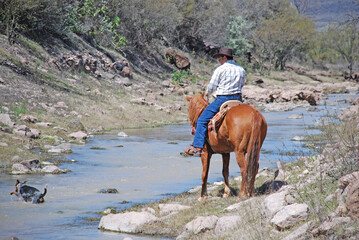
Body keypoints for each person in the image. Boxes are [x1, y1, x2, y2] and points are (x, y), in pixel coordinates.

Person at [186, 48, 246, 157]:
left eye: (219, 58)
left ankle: (197, 148)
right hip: (238, 100)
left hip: (222, 99)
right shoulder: (241, 69)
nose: (219, 61)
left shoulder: (220, 69)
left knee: (202, 120)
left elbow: (212, 85)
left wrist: (207, 93)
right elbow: (242, 84)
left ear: (223, 57)